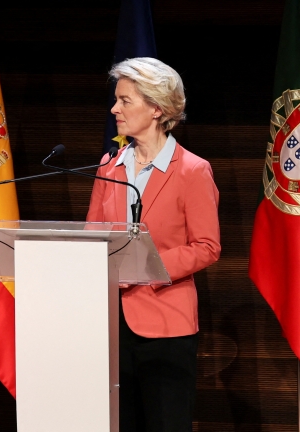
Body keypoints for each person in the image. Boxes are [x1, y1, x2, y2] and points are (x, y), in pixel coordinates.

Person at [86, 57, 221, 431]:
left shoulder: (192, 170)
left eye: (125, 100)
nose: (115, 108)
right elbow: (93, 235)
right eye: (116, 99)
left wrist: (144, 266)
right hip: (112, 325)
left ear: (156, 108)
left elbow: (207, 246)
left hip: (166, 326)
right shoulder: (108, 167)